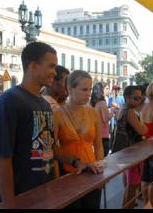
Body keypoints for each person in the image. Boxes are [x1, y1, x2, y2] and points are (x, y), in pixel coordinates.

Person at [0, 42, 86, 205]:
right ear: (34, 66)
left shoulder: (44, 104)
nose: (54, 72)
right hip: (22, 199)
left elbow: (49, 148)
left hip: (44, 195)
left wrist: (77, 162)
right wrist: (9, 204)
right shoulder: (8, 102)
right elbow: (2, 158)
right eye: (51, 67)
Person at [53, 70, 105, 209]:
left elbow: (98, 145)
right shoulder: (57, 113)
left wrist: (101, 170)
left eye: (89, 89)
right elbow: (53, 149)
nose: (88, 93)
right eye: (83, 89)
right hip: (68, 174)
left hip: (92, 171)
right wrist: (56, 180)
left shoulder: (93, 113)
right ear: (70, 89)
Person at [115, 86, 147, 209]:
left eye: (141, 98)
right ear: (127, 97)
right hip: (133, 153)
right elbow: (142, 130)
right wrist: (144, 125)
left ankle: (127, 205)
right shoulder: (129, 112)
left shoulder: (122, 109)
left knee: (129, 184)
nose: (139, 100)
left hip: (125, 152)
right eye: (136, 98)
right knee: (132, 185)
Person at [42, 64, 70, 178]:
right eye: (66, 83)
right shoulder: (52, 107)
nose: (68, 88)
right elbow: (53, 145)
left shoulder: (55, 104)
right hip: (60, 166)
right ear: (53, 82)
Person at [90, 82, 115, 157]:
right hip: (103, 135)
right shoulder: (102, 103)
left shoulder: (91, 103)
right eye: (107, 88)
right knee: (102, 159)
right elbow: (106, 119)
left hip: (93, 134)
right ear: (101, 90)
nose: (108, 90)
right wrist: (112, 111)